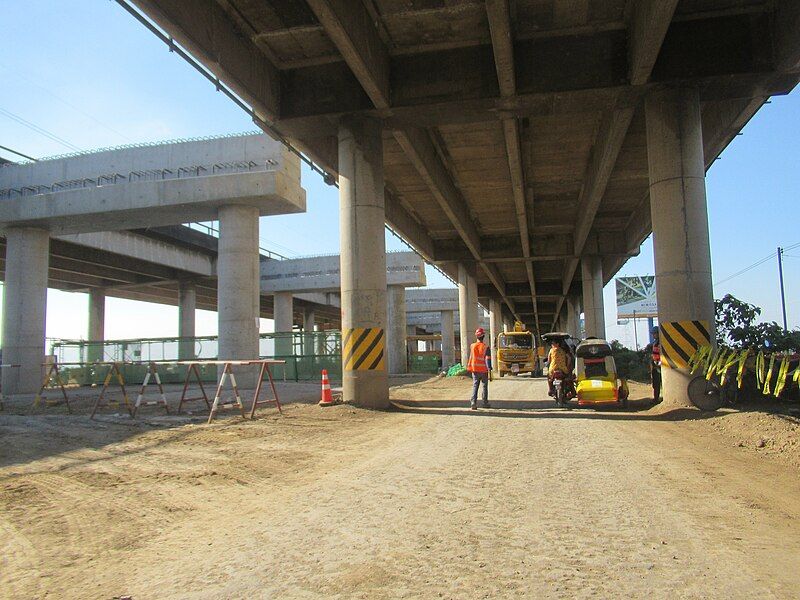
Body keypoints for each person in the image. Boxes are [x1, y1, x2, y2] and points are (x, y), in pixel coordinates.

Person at [467, 327, 492, 410]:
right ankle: (485, 403)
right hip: (483, 370)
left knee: (475, 386)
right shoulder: (486, 347)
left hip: (474, 369)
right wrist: (489, 368)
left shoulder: (472, 346)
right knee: (484, 386)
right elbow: (488, 359)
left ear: (476, 336)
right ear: (483, 336)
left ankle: (473, 402)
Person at [644, 327, 662, 403]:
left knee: (659, 382)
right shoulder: (655, 343)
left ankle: (657, 398)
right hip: (655, 365)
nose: (653, 335)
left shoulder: (661, 342)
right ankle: (656, 398)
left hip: (660, 365)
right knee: (656, 383)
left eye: (654, 333)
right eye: (653, 334)